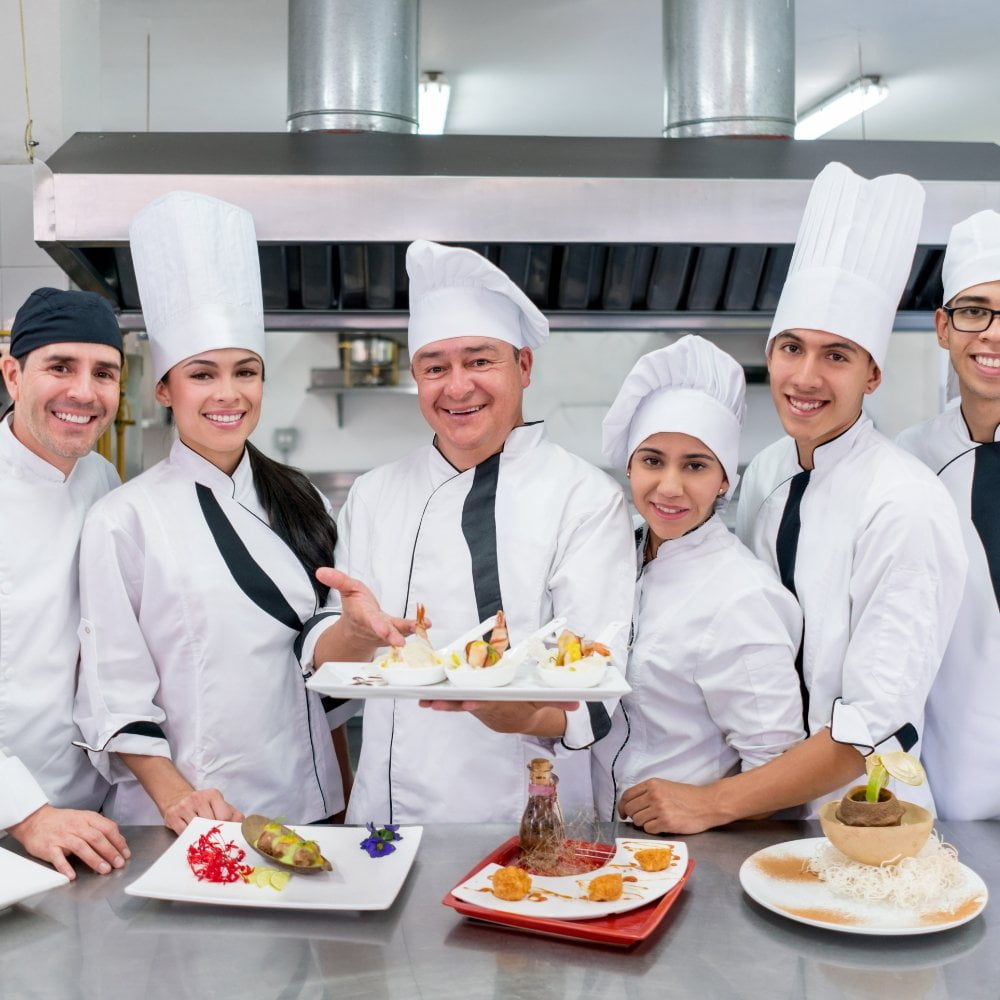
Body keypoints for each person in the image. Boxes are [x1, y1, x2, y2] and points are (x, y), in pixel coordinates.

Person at [611, 163, 966, 834]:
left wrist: (711, 800)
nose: (805, 377)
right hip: (770, 817)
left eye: (836, 355)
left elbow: (873, 719)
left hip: (869, 820)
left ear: (873, 372)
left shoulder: (904, 504)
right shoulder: (770, 471)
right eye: (791, 349)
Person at [73, 192, 413, 833]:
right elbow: (113, 693)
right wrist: (182, 804)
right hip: (188, 819)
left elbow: (321, 681)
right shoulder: (125, 518)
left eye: (245, 371)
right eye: (202, 374)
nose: (228, 394)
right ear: (165, 390)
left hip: (306, 809)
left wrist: (336, 806)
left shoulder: (300, 497)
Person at [338, 239, 636, 824]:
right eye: (434, 367)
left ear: (523, 366)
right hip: (384, 814)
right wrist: (349, 632)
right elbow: (348, 656)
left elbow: (601, 684)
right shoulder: (374, 494)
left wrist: (520, 715)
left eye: (479, 361)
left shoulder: (584, 499)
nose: (456, 387)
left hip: (527, 815)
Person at [591, 335, 805, 831]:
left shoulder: (740, 596)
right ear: (629, 466)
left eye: (695, 465)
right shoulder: (610, 557)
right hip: (603, 836)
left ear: (724, 479)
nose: (669, 487)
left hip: (691, 850)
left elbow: (777, 763)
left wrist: (707, 809)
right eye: (652, 460)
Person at [0, 287, 130, 879]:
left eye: (103, 372)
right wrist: (24, 813)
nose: (83, 391)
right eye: (60, 366)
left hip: (84, 819)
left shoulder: (102, 479)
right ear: (12, 374)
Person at [896, 209, 1000, 820]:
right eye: (973, 310)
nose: (991, 333)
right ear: (942, 327)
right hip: (944, 787)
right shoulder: (906, 465)